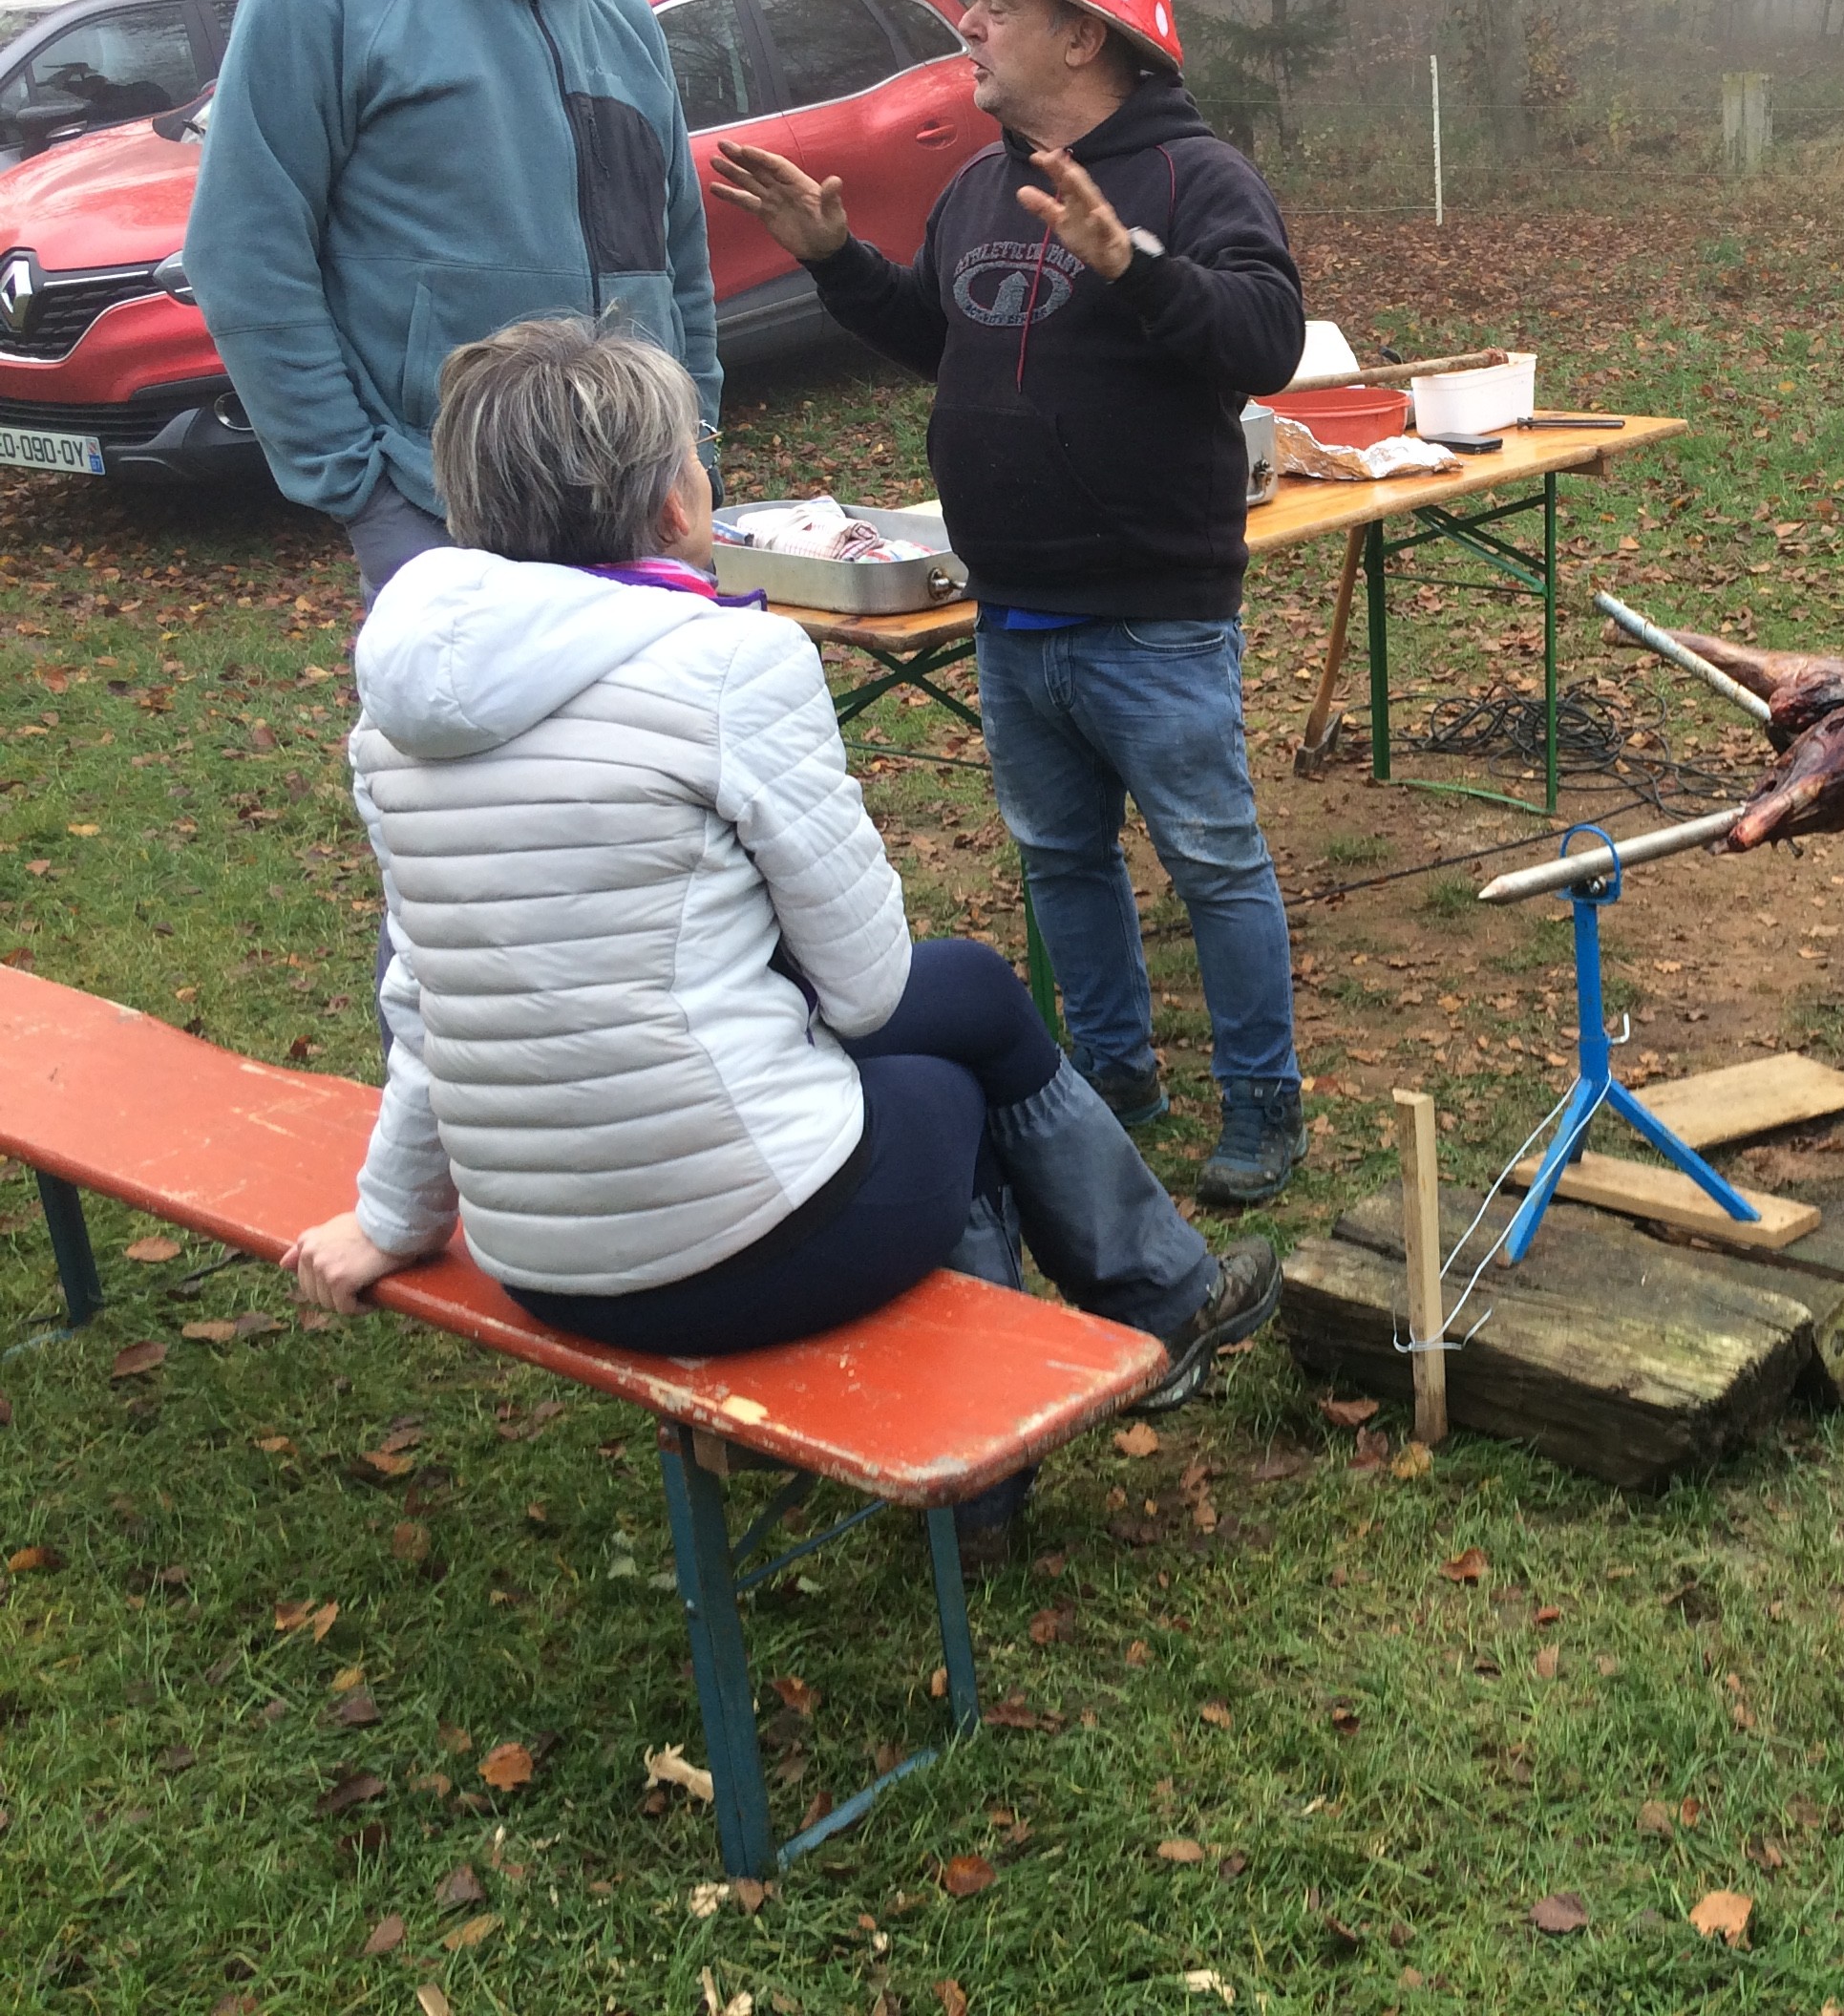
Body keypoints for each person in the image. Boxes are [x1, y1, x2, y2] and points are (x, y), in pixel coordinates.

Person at [284, 317, 1281, 1551]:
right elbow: (862, 990)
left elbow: (430, 1001)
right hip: (739, 1247)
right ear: (667, 505)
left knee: (968, 987)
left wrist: (390, 1217)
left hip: (541, 1258)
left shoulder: (397, 720)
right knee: (952, 1084)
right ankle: (986, 1481)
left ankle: (1164, 1300)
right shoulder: (727, 663)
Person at [710, 0, 1312, 1206]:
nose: (967, 23)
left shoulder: (1196, 179)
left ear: (1085, 35)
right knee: (1062, 862)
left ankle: (1264, 1102)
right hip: (1014, 609)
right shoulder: (982, 184)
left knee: (1213, 862)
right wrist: (833, 261)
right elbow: (947, 339)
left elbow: (1264, 340)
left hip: (1154, 612)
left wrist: (1134, 266)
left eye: (995, 1)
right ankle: (1115, 1074)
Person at [188, 0, 719, 602]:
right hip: (443, 512)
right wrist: (361, 487)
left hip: (639, 503)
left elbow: (676, 258)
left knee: (645, 742)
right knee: (465, 744)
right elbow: (244, 251)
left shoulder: (623, 17)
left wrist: (694, 442)